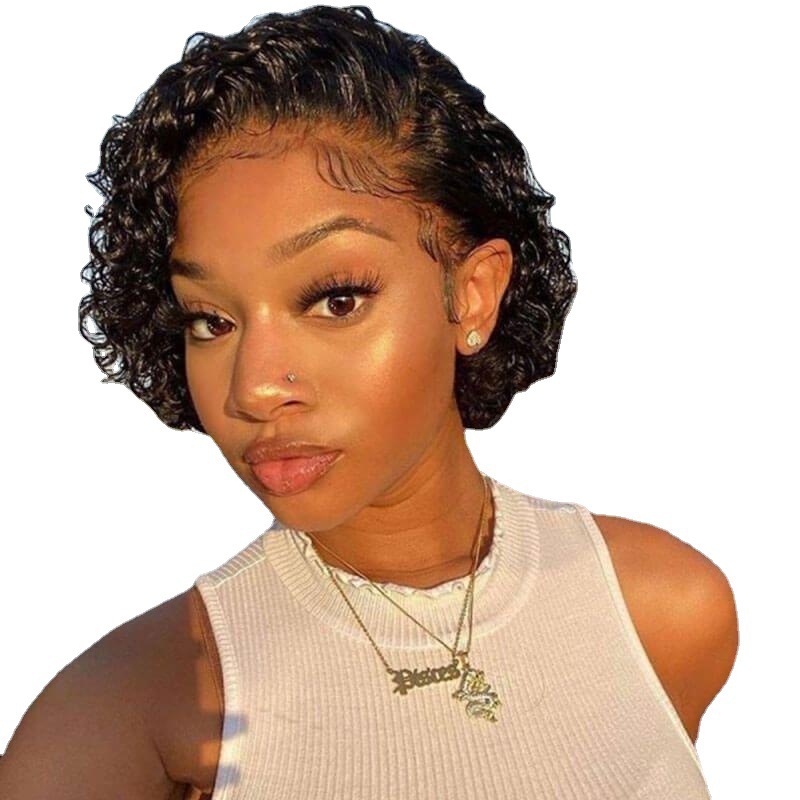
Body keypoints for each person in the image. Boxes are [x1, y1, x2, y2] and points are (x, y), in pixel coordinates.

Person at [0, 5, 738, 799]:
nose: (253, 387)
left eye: (336, 299)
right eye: (210, 320)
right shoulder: (134, 712)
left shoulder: (663, 613)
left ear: (473, 293)